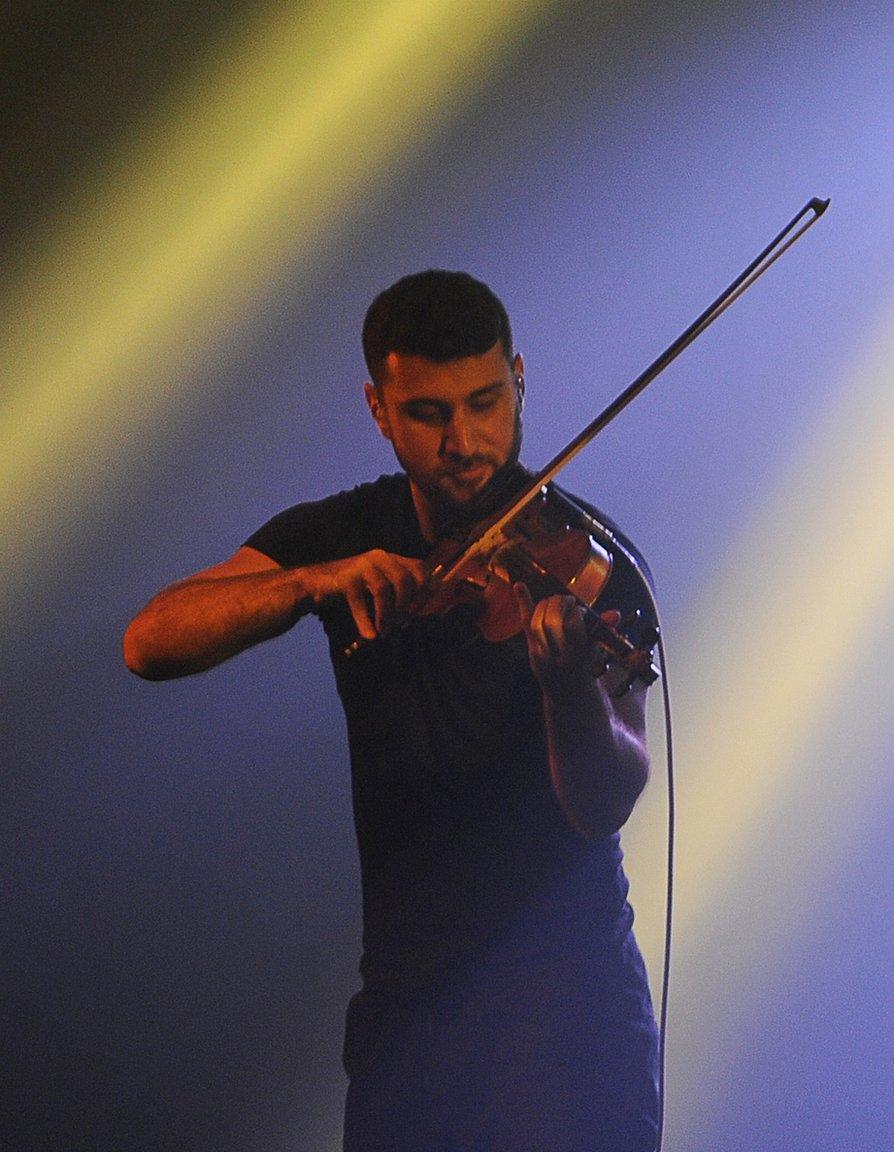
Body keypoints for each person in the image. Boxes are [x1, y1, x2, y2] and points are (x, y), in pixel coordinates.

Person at [124, 270, 662, 1151]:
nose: (464, 441)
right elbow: (150, 641)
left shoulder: (588, 565)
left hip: (570, 1019)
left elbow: (605, 800)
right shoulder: (345, 535)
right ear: (378, 408)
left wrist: (568, 689)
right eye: (428, 413)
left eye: (485, 403)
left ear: (519, 382)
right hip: (410, 1014)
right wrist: (308, 584)